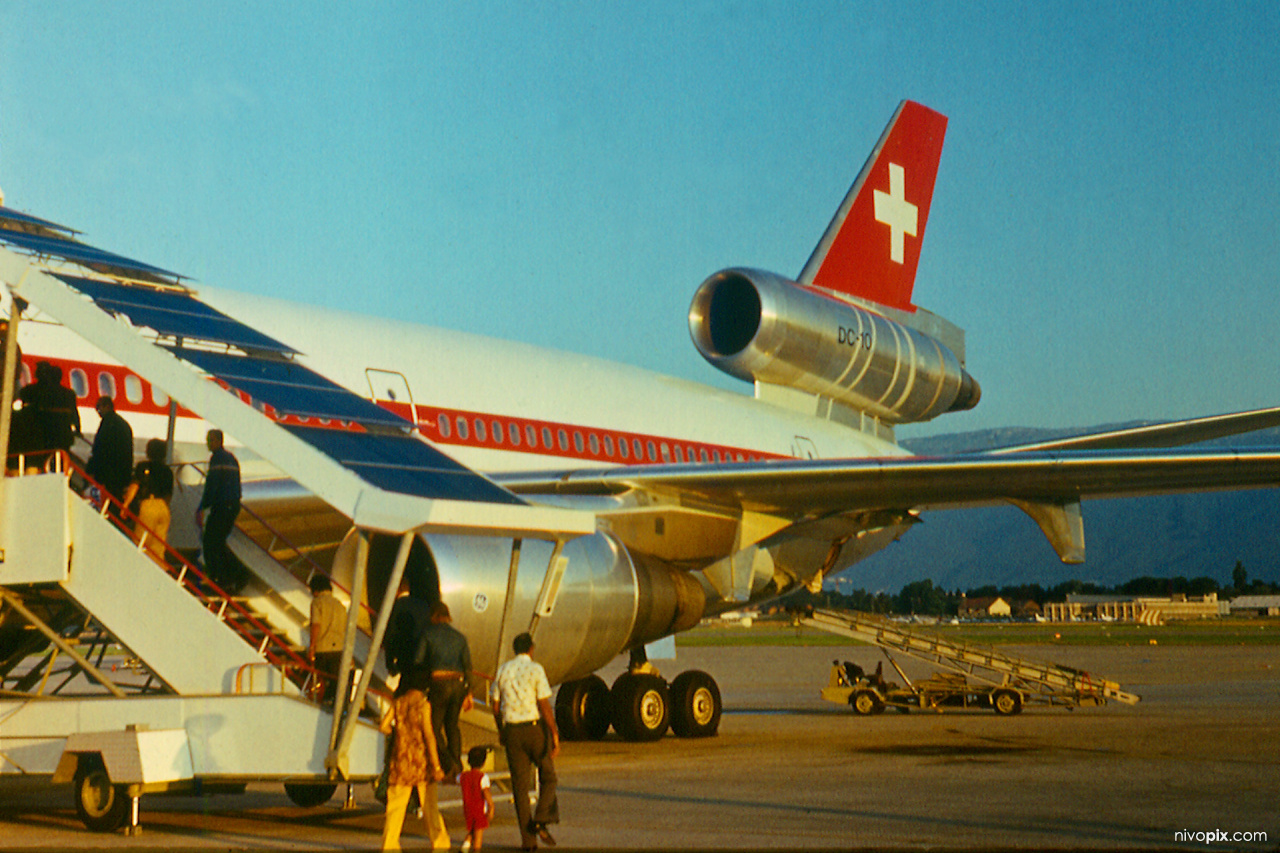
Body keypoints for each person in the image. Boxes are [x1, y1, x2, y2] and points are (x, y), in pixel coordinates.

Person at [490, 632, 560, 851]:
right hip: (533, 729)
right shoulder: (536, 669)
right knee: (548, 776)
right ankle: (541, 819)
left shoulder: (503, 669)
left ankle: (528, 843)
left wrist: (501, 729)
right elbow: (544, 705)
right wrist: (554, 732)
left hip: (512, 732)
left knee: (520, 788)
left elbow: (495, 703)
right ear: (531, 648)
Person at [379, 682, 450, 851]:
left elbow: (383, 726)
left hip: (401, 760)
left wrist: (399, 735)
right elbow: (429, 735)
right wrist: (437, 766)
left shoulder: (398, 703)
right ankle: (440, 843)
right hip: (421, 762)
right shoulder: (423, 705)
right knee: (429, 806)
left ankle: (389, 845)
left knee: (395, 808)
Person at [420, 601, 474, 778]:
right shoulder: (460, 637)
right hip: (458, 683)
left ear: (434, 616)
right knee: (452, 725)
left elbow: (418, 660)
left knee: (434, 727)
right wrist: (469, 692)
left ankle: (446, 762)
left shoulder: (428, 634)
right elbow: (468, 667)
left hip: (439, 683)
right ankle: (457, 764)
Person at [196, 429, 247, 594]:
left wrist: (202, 507)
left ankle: (221, 577)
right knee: (217, 541)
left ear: (218, 441)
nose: (207, 443)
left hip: (223, 506)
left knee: (210, 541)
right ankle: (231, 575)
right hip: (233, 505)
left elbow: (213, 486)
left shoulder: (217, 459)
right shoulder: (231, 458)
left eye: (210, 440)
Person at [122, 438, 174, 560]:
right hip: (163, 507)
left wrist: (126, 504)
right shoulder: (168, 471)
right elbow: (168, 495)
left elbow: (135, 486)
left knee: (142, 542)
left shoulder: (143, 466)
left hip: (148, 505)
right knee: (158, 547)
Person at [84, 396, 133, 505]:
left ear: (107, 406)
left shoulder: (108, 423)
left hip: (108, 472)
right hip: (121, 472)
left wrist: (91, 468)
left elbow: (100, 448)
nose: (98, 412)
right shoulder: (122, 424)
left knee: (105, 500)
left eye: (99, 408)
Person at [307, 574, 346, 704]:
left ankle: (322, 703)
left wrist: (312, 646)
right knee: (336, 681)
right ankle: (335, 704)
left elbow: (316, 625)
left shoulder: (317, 603)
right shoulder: (340, 605)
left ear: (315, 590)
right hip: (339, 649)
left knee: (322, 680)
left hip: (323, 648)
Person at [458, 745, 494, 852]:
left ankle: (465, 845)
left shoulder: (463, 776)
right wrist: (491, 807)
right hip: (480, 809)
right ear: (483, 762)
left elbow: (452, 779)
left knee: (473, 829)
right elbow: (486, 793)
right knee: (478, 836)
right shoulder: (483, 777)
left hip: (468, 809)